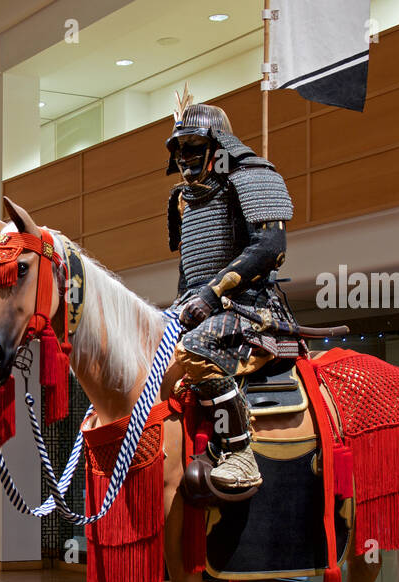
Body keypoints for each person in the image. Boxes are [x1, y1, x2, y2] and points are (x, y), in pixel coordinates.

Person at [166, 86, 296, 491]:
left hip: (254, 309)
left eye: (194, 146)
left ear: (218, 144)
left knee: (194, 349)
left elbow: (270, 246)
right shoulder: (183, 200)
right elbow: (188, 271)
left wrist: (211, 293)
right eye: (179, 149)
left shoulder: (252, 175)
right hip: (204, 306)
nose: (185, 157)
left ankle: (241, 453)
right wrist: (176, 309)